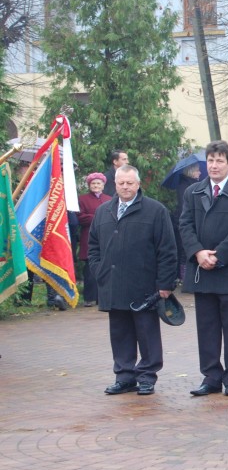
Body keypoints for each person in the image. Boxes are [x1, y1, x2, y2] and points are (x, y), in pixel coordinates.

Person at [88, 165, 177, 395]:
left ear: (138, 184)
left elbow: (167, 249)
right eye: (121, 183)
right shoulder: (103, 211)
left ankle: (147, 376)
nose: (125, 187)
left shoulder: (155, 211)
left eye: (130, 183)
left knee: (147, 333)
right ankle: (125, 375)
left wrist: (165, 284)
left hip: (144, 285)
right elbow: (93, 247)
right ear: (114, 184)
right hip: (113, 283)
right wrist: (100, 271)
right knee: (120, 333)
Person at [180, 141, 228, 397]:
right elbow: (185, 225)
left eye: (219, 161)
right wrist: (198, 252)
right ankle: (211, 376)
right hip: (202, 271)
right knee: (207, 326)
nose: (214, 165)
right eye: (210, 160)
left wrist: (219, 256)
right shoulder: (193, 192)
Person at [77, 173, 112, 307]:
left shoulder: (109, 199)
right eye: (93, 183)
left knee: (106, 268)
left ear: (103, 185)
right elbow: (80, 217)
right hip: (88, 236)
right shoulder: (82, 199)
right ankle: (89, 298)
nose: (96, 186)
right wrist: (99, 218)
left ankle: (103, 297)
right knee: (90, 270)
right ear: (89, 185)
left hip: (107, 237)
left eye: (98, 183)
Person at [174, 163, 201, 281]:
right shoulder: (186, 186)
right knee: (185, 250)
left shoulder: (189, 184)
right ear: (192, 172)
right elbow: (184, 207)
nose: (200, 173)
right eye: (198, 171)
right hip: (186, 222)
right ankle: (185, 277)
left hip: (187, 220)